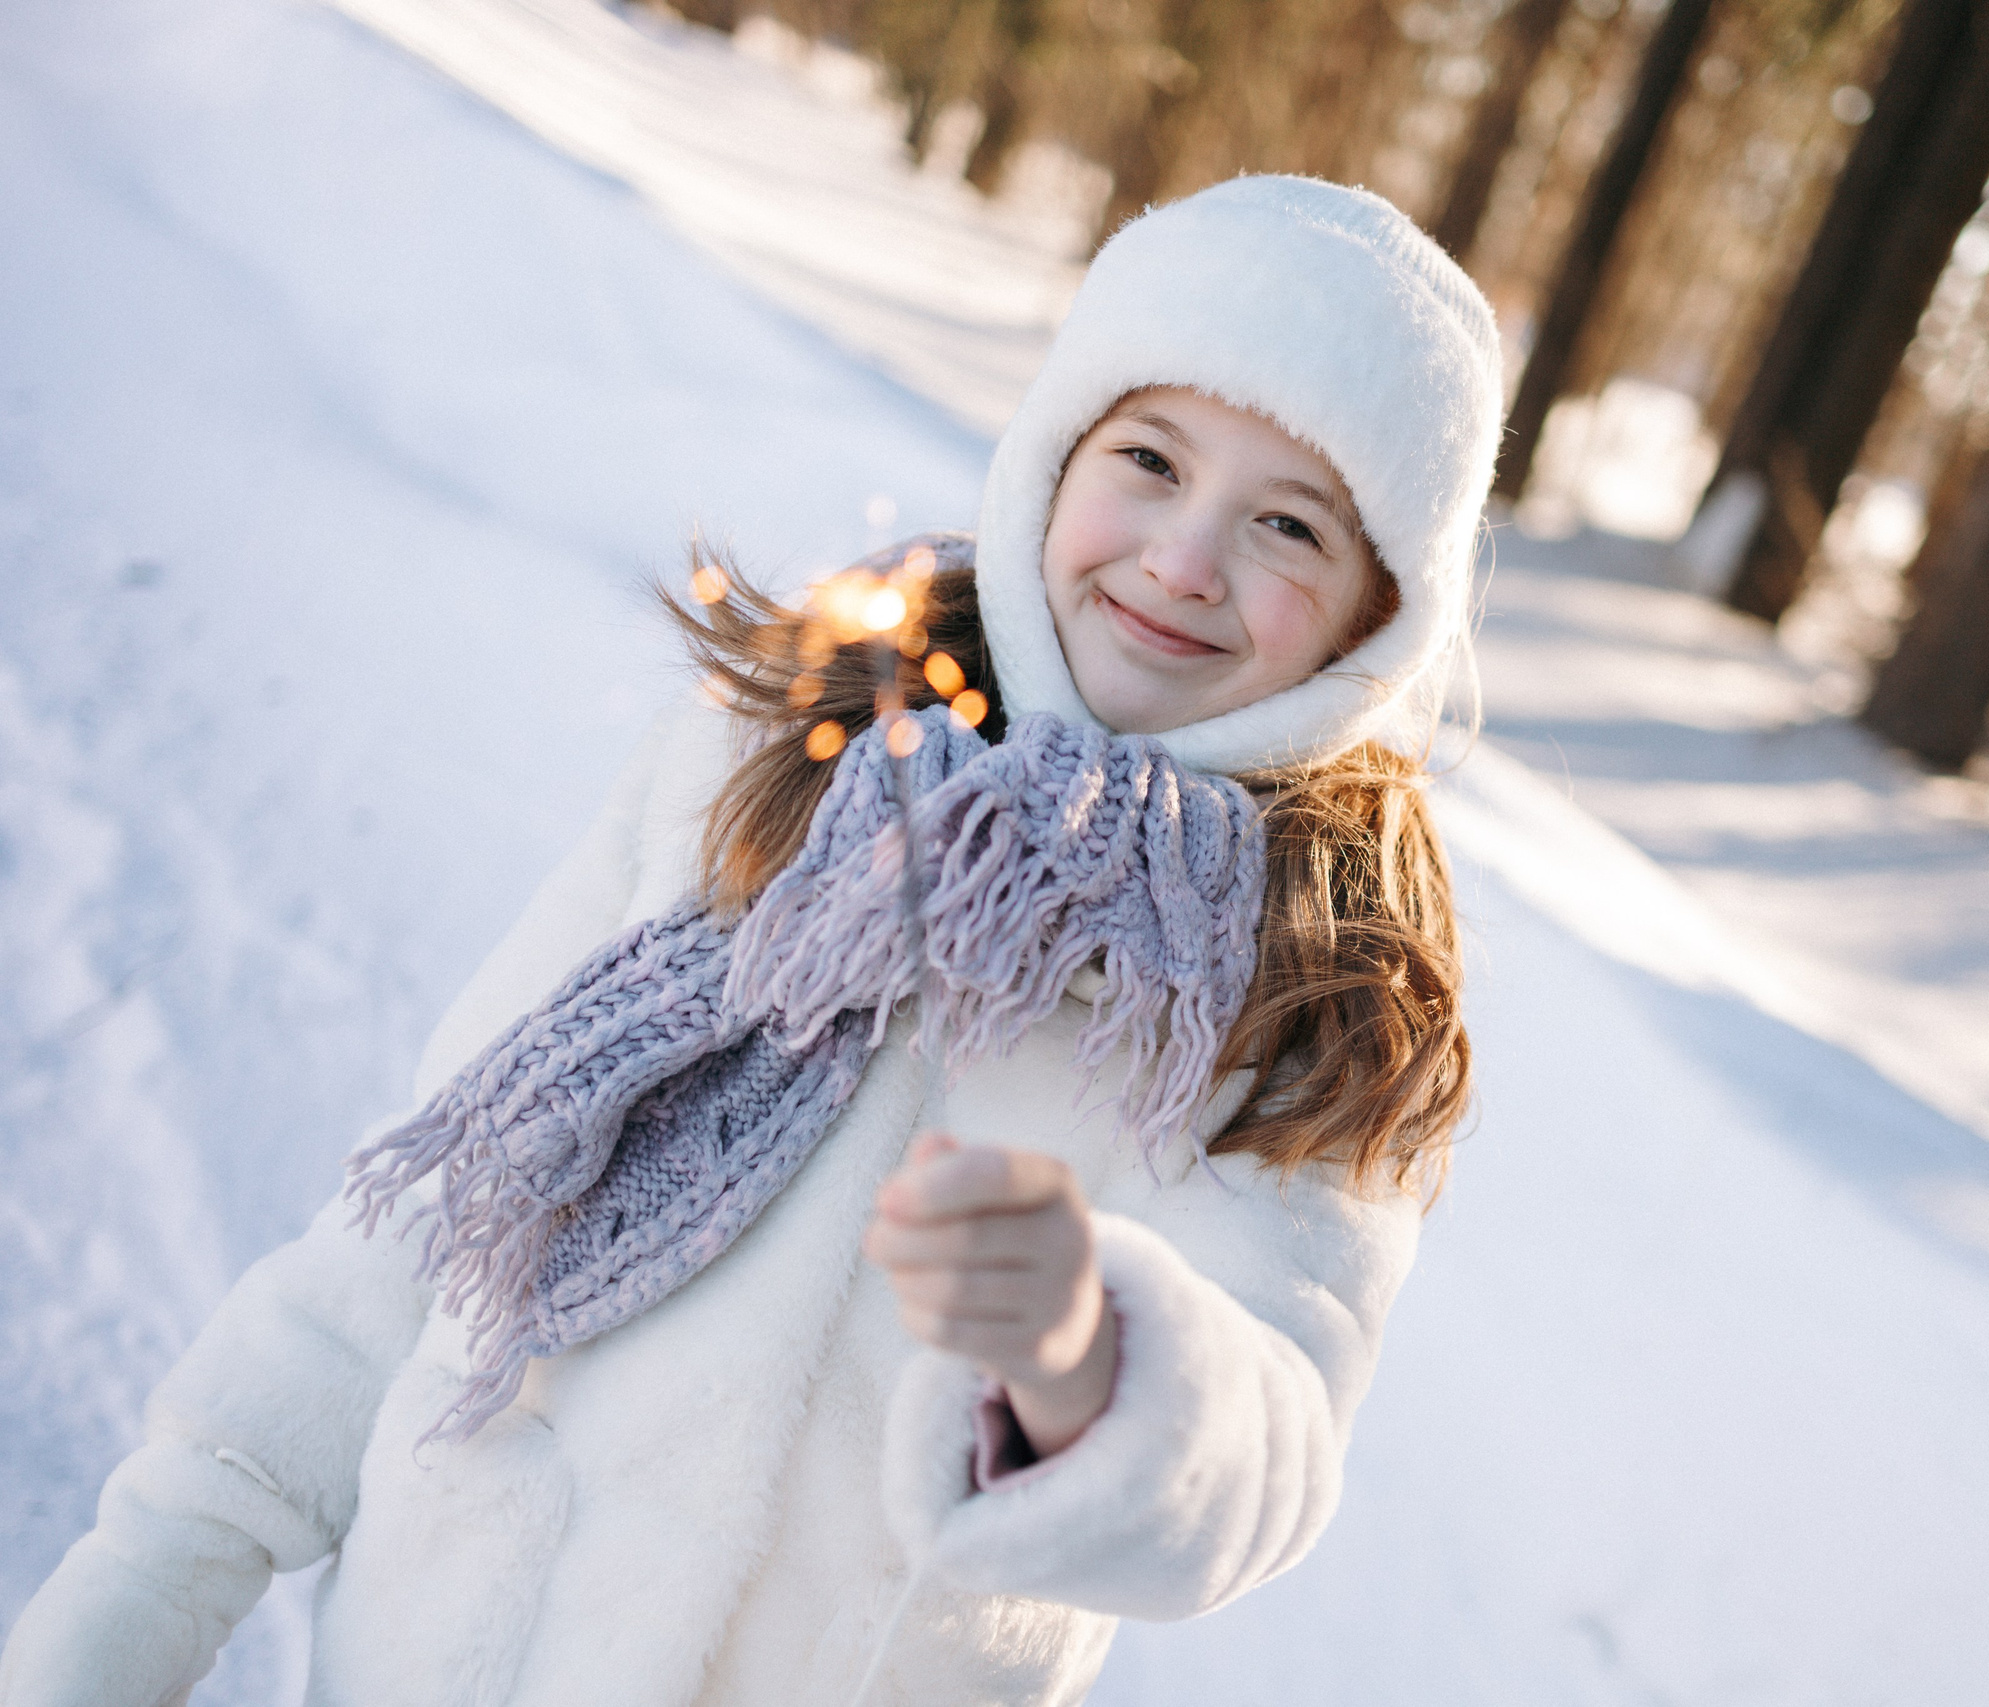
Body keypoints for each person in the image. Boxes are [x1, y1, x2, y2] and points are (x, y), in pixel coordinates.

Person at [0, 173, 1503, 1706]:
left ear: (1376, 618)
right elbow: (439, 1210)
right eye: (1150, 458)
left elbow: (1268, 1460)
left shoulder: (1312, 986)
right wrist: (161, 1564)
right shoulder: (784, 753)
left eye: (1287, 525)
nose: (1185, 561)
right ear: (1054, 454)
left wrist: (1087, 1359)